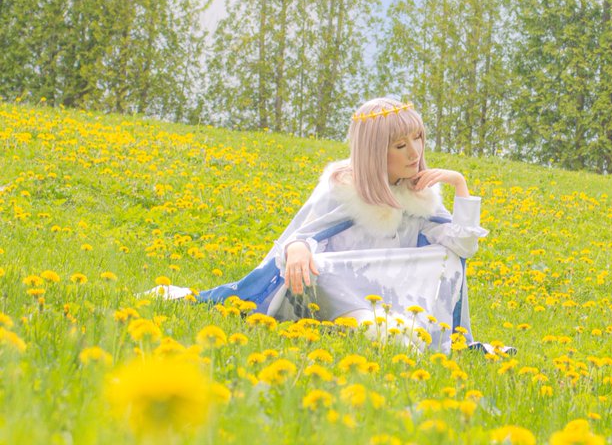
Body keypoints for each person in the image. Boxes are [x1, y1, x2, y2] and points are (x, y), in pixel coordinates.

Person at [158, 97, 502, 353]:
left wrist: (459, 184)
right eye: (400, 145)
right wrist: (297, 247)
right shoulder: (343, 187)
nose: (415, 152)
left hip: (392, 294)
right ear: (374, 152)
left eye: (419, 139)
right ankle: (361, 324)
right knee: (323, 273)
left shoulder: (420, 195)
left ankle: (388, 326)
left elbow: (463, 248)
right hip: (339, 290)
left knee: (445, 260)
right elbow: (303, 234)